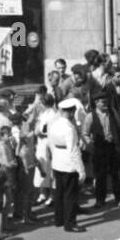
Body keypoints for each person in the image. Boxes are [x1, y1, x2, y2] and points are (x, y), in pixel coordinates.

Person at [49, 98, 86, 232]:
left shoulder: (54, 124)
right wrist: (81, 169)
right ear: (70, 112)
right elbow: (73, 150)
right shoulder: (69, 128)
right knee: (70, 194)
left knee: (59, 192)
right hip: (68, 163)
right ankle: (70, 222)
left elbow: (51, 143)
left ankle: (59, 219)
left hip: (57, 160)